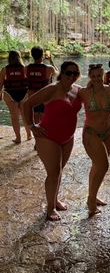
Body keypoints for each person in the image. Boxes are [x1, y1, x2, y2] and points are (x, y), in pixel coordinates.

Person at [23, 61, 82, 221]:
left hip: (68, 138)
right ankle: (50, 209)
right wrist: (31, 125)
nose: (72, 76)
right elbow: (27, 105)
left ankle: (55, 200)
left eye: (75, 73)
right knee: (53, 172)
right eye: (68, 73)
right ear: (61, 73)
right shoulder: (52, 89)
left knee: (59, 170)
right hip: (48, 137)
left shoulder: (78, 91)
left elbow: (97, 94)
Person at [79, 64, 110, 216]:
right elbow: (65, 96)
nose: (96, 79)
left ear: (103, 75)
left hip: (108, 132)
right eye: (93, 76)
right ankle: (91, 200)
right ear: (90, 77)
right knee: (104, 166)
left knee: (97, 164)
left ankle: (93, 194)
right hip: (91, 133)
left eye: (99, 76)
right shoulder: (84, 92)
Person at [0, 50, 31, 143]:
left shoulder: (4, 70)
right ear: (19, 57)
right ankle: (29, 135)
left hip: (9, 94)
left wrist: (0, 94)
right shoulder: (25, 68)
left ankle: (18, 138)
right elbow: (29, 82)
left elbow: (0, 85)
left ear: (9, 58)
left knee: (14, 117)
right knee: (25, 115)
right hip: (23, 93)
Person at [27, 46, 57, 124]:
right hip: (45, 96)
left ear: (32, 55)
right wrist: (51, 60)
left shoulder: (26, 68)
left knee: (36, 117)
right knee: (45, 118)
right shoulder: (49, 68)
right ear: (42, 55)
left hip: (33, 96)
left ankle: (37, 135)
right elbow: (58, 74)